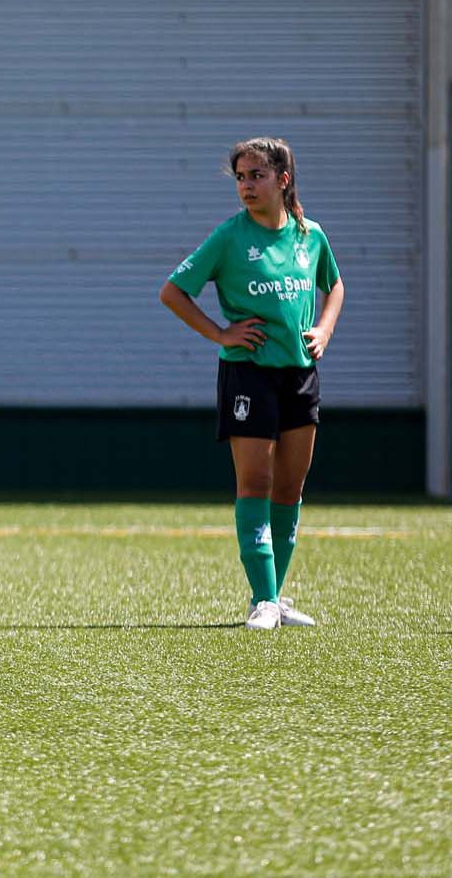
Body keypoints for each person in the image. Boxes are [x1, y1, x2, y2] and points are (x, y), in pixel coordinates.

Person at [160, 137, 342, 630]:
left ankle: (276, 596)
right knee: (255, 482)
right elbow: (173, 292)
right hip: (248, 374)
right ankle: (262, 599)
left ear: (283, 180)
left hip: (301, 374)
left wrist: (323, 329)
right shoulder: (229, 236)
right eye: (240, 176)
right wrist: (221, 333)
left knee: (290, 484)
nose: (246, 185)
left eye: (256, 175)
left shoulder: (311, 236)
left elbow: (335, 284)